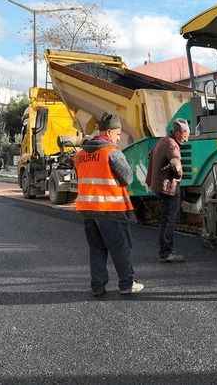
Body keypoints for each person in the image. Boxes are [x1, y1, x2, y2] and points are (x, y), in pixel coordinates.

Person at [74, 112, 143, 296]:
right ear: (110, 132)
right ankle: (127, 284)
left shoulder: (80, 155)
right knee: (120, 249)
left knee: (97, 249)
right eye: (118, 134)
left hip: (88, 210)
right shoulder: (112, 152)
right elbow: (127, 178)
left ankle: (98, 287)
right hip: (110, 208)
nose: (119, 137)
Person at [147, 118, 190, 263]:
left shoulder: (163, 141)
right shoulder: (172, 145)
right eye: (185, 133)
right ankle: (166, 253)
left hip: (158, 186)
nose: (187, 136)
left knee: (165, 218)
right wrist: (178, 172)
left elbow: (150, 155)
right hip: (168, 189)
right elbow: (175, 161)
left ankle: (164, 251)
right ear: (177, 133)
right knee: (169, 219)